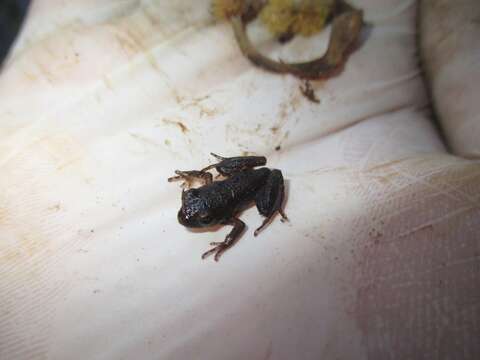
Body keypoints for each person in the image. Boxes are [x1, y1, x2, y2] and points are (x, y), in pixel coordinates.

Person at [0, 1, 478, 359]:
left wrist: (229, 238)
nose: (191, 215)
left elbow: (241, 225)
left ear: (211, 212)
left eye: (196, 213)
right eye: (193, 210)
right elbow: (206, 187)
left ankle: (277, 204)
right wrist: (197, 183)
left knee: (266, 200)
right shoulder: (206, 201)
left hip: (254, 180)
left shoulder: (224, 214)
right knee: (236, 173)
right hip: (235, 178)